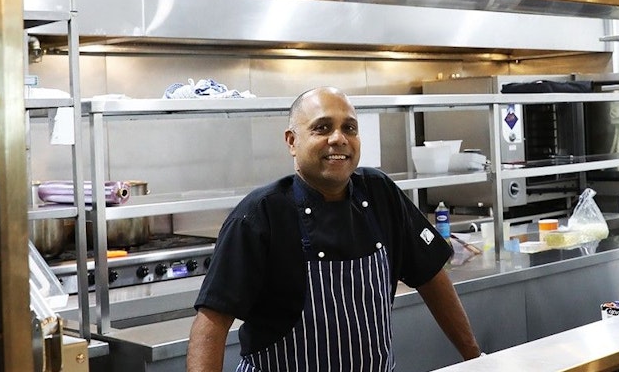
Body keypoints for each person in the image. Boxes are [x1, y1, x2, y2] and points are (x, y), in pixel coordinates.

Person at [188, 86, 482, 371]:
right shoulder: (260, 215)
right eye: (322, 128)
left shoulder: (381, 193)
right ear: (292, 141)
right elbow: (212, 321)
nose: (338, 138)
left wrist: (476, 358)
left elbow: (431, 276)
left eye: (349, 128)